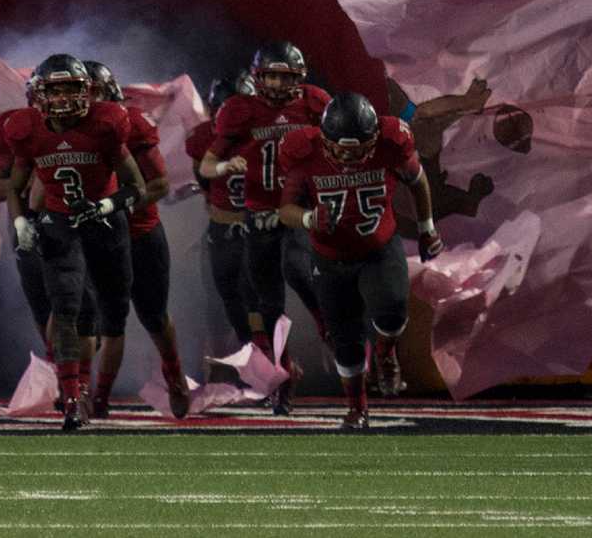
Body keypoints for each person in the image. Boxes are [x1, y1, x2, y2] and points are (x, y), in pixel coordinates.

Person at [277, 93, 442, 431]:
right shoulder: (303, 153)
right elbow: (286, 209)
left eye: (358, 148)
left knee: (393, 311)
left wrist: (427, 229)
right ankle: (357, 409)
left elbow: (418, 180)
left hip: (378, 249)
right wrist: (309, 219)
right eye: (341, 148)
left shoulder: (391, 142)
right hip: (330, 257)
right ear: (323, 138)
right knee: (345, 339)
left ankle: (385, 352)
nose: (349, 156)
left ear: (373, 138)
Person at [0, 53, 147, 432]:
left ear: (87, 92)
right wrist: (20, 222)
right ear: (39, 94)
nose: (63, 98)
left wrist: (103, 205)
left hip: (104, 223)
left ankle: (96, 392)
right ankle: (71, 398)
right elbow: (15, 187)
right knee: (65, 308)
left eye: (71, 88)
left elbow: (137, 187)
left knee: (110, 313)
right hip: (59, 221)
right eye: (56, 89)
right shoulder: (27, 129)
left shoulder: (106, 124)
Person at [197, 41, 335, 415]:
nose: (275, 83)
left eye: (283, 75)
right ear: (258, 77)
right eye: (270, 75)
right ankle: (280, 379)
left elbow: (337, 153)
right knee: (267, 303)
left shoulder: (314, 102)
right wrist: (225, 167)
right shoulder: (240, 111)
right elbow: (208, 166)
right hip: (257, 217)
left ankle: (330, 331)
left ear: (299, 77)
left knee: (300, 272)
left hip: (297, 209)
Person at [83, 61, 190, 419]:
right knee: (103, 321)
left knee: (153, 316)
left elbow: (159, 184)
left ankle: (174, 376)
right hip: (97, 239)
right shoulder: (61, 132)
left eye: (86, 91)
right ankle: (94, 397)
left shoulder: (131, 124)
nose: (78, 100)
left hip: (139, 234)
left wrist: (114, 208)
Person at [183, 74, 256, 350]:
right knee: (223, 294)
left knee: (262, 297)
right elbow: (202, 180)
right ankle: (243, 354)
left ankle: (272, 358)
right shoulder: (202, 137)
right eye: (223, 112)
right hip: (223, 225)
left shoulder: (265, 134)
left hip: (261, 225)